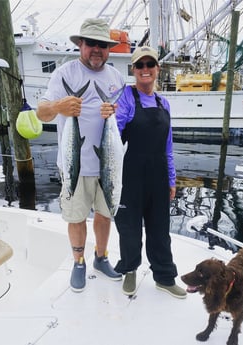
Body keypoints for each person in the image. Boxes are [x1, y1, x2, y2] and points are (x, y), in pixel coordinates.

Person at [36, 18, 124, 293]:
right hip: (75, 163)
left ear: (108, 49)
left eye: (102, 45)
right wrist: (60, 105)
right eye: (91, 44)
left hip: (108, 163)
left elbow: (123, 116)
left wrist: (115, 114)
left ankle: (101, 257)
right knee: (75, 216)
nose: (97, 49)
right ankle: (78, 262)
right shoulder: (64, 73)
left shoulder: (116, 77)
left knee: (105, 213)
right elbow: (41, 112)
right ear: (80, 45)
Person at [101, 46, 186, 299]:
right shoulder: (125, 97)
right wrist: (110, 115)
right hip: (130, 175)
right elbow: (114, 132)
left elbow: (168, 145)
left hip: (158, 176)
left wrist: (172, 179)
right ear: (134, 70)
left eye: (150, 65)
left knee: (160, 229)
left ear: (158, 69)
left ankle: (164, 277)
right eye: (140, 65)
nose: (145, 69)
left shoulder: (164, 102)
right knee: (129, 229)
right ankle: (129, 269)